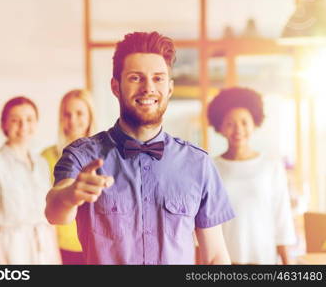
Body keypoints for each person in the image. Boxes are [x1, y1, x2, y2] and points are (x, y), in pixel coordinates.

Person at [45, 31, 234, 265]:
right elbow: (55, 212)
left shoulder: (199, 164)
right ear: (116, 86)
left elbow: (215, 256)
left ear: (170, 88)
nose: (148, 88)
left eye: (158, 78)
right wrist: (70, 195)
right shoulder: (82, 155)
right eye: (136, 78)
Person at [207, 86, 296, 264]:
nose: (238, 129)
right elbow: (206, 223)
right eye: (230, 123)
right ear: (220, 127)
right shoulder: (211, 168)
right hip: (225, 262)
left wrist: (289, 265)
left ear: (254, 123)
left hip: (265, 261)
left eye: (244, 122)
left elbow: (282, 219)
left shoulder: (271, 166)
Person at [0, 96, 61, 264]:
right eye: (15, 120)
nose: (23, 126)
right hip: (13, 251)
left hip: (45, 250)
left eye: (29, 119)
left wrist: (57, 258)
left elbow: (49, 216)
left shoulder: (42, 163)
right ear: (4, 124)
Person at [42, 89, 95, 264]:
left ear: (90, 116)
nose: (72, 120)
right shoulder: (46, 157)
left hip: (97, 246)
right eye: (67, 114)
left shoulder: (106, 155)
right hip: (60, 248)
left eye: (79, 113)